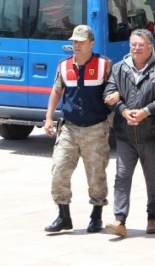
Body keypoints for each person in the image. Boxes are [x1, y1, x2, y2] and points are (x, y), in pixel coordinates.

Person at [101, 29, 155, 238]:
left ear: (150, 47)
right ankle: (119, 219)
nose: (136, 48)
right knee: (121, 177)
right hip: (125, 134)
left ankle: (153, 217)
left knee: (153, 178)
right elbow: (108, 93)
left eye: (141, 45)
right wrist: (123, 110)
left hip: (151, 135)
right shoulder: (119, 68)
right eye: (133, 44)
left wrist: (144, 112)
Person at [43, 25, 112, 233]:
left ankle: (96, 215)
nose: (77, 46)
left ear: (92, 43)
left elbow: (114, 90)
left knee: (96, 175)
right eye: (74, 42)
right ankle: (64, 216)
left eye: (81, 42)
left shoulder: (104, 65)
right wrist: (48, 118)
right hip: (70, 128)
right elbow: (56, 91)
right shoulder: (64, 66)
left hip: (95, 128)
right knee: (59, 170)